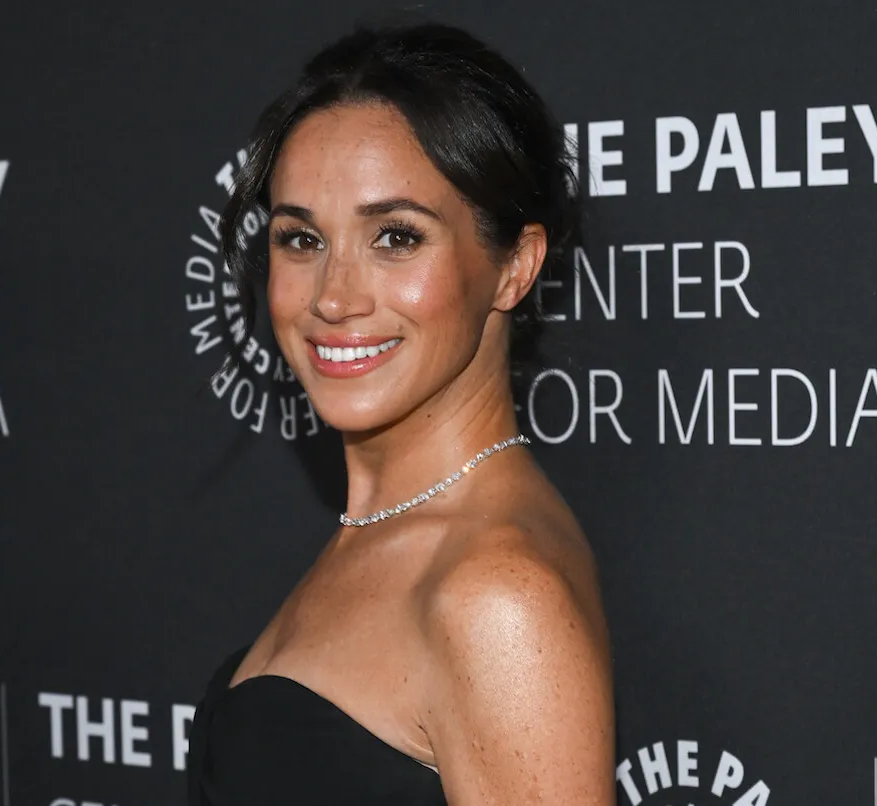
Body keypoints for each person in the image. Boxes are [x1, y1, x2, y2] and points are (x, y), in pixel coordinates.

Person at [188, 21, 614, 806]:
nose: (334, 297)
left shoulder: (496, 599)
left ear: (514, 266)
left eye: (394, 237)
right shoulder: (393, 529)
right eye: (301, 239)